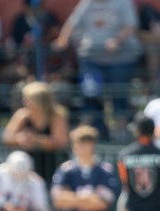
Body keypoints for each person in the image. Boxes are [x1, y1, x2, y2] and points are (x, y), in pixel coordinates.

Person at [53, 0, 142, 138]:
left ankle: (121, 135)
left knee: (119, 97)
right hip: (92, 57)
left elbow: (131, 26)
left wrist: (117, 40)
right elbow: (72, 22)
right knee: (89, 94)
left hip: (120, 59)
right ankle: (84, 136)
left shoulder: (123, 2)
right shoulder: (87, 3)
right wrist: (63, 39)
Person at [51, 125, 120, 211]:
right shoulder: (66, 170)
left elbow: (102, 204)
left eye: (85, 144)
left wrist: (72, 199)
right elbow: (59, 201)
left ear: (93, 145)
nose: (81, 148)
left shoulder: (105, 170)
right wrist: (87, 198)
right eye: (78, 144)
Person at [2, 81, 69, 183]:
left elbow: (61, 142)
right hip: (27, 168)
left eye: (28, 99)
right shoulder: (22, 115)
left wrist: (37, 140)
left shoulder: (56, 116)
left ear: (40, 101)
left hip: (52, 165)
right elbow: (7, 138)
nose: (24, 101)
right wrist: (20, 138)